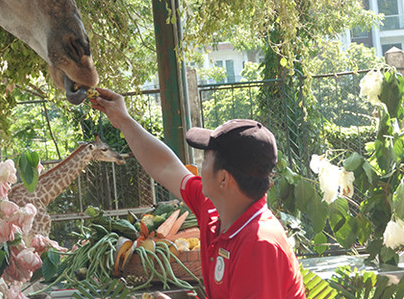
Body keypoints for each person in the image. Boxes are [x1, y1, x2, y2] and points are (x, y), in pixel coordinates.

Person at [90, 88, 305, 299]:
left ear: (223, 178)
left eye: (204, 160)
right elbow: (165, 167)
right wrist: (123, 120)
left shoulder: (259, 246)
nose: (197, 167)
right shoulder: (215, 209)